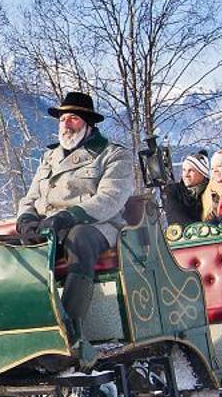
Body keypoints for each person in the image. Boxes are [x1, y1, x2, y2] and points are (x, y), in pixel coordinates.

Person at [13, 91, 137, 358]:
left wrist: (69, 217)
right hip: (50, 225)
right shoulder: (49, 158)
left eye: (74, 119)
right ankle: (24, 327)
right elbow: (32, 196)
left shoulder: (113, 155)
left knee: (79, 238)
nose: (66, 124)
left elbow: (110, 199)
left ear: (88, 124)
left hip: (97, 225)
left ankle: (70, 329)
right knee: (11, 249)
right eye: (63, 119)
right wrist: (26, 219)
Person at [162, 149, 210, 226]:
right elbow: (177, 218)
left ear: (202, 174)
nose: (186, 175)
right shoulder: (173, 192)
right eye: (184, 170)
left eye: (191, 171)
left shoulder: (211, 191)